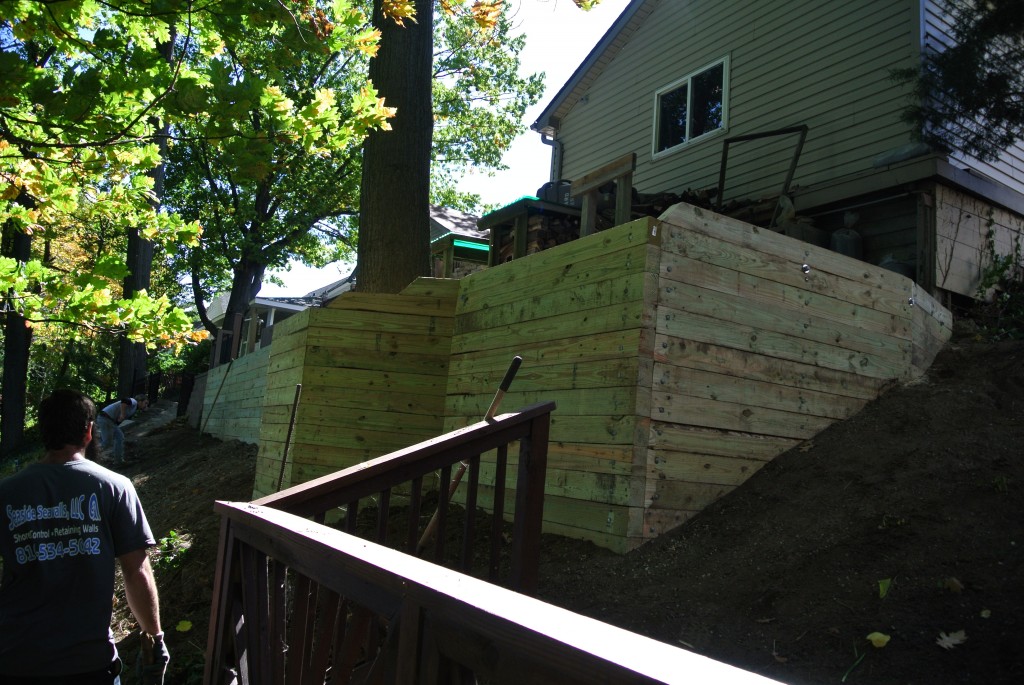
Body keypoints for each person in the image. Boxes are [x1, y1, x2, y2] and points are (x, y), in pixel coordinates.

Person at [0, 389, 169, 684]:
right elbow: (137, 571)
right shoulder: (116, 487)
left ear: (43, 432)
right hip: (89, 664)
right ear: (89, 431)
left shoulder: (7, 492)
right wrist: (155, 637)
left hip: (15, 659)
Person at [96, 393, 148, 465]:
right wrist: (122, 414)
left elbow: (119, 420)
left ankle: (118, 461)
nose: (146, 405)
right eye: (145, 403)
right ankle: (90, 455)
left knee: (119, 437)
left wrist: (118, 421)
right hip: (106, 418)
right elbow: (124, 400)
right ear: (140, 401)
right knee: (107, 443)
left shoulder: (133, 409)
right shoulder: (134, 402)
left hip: (109, 421)